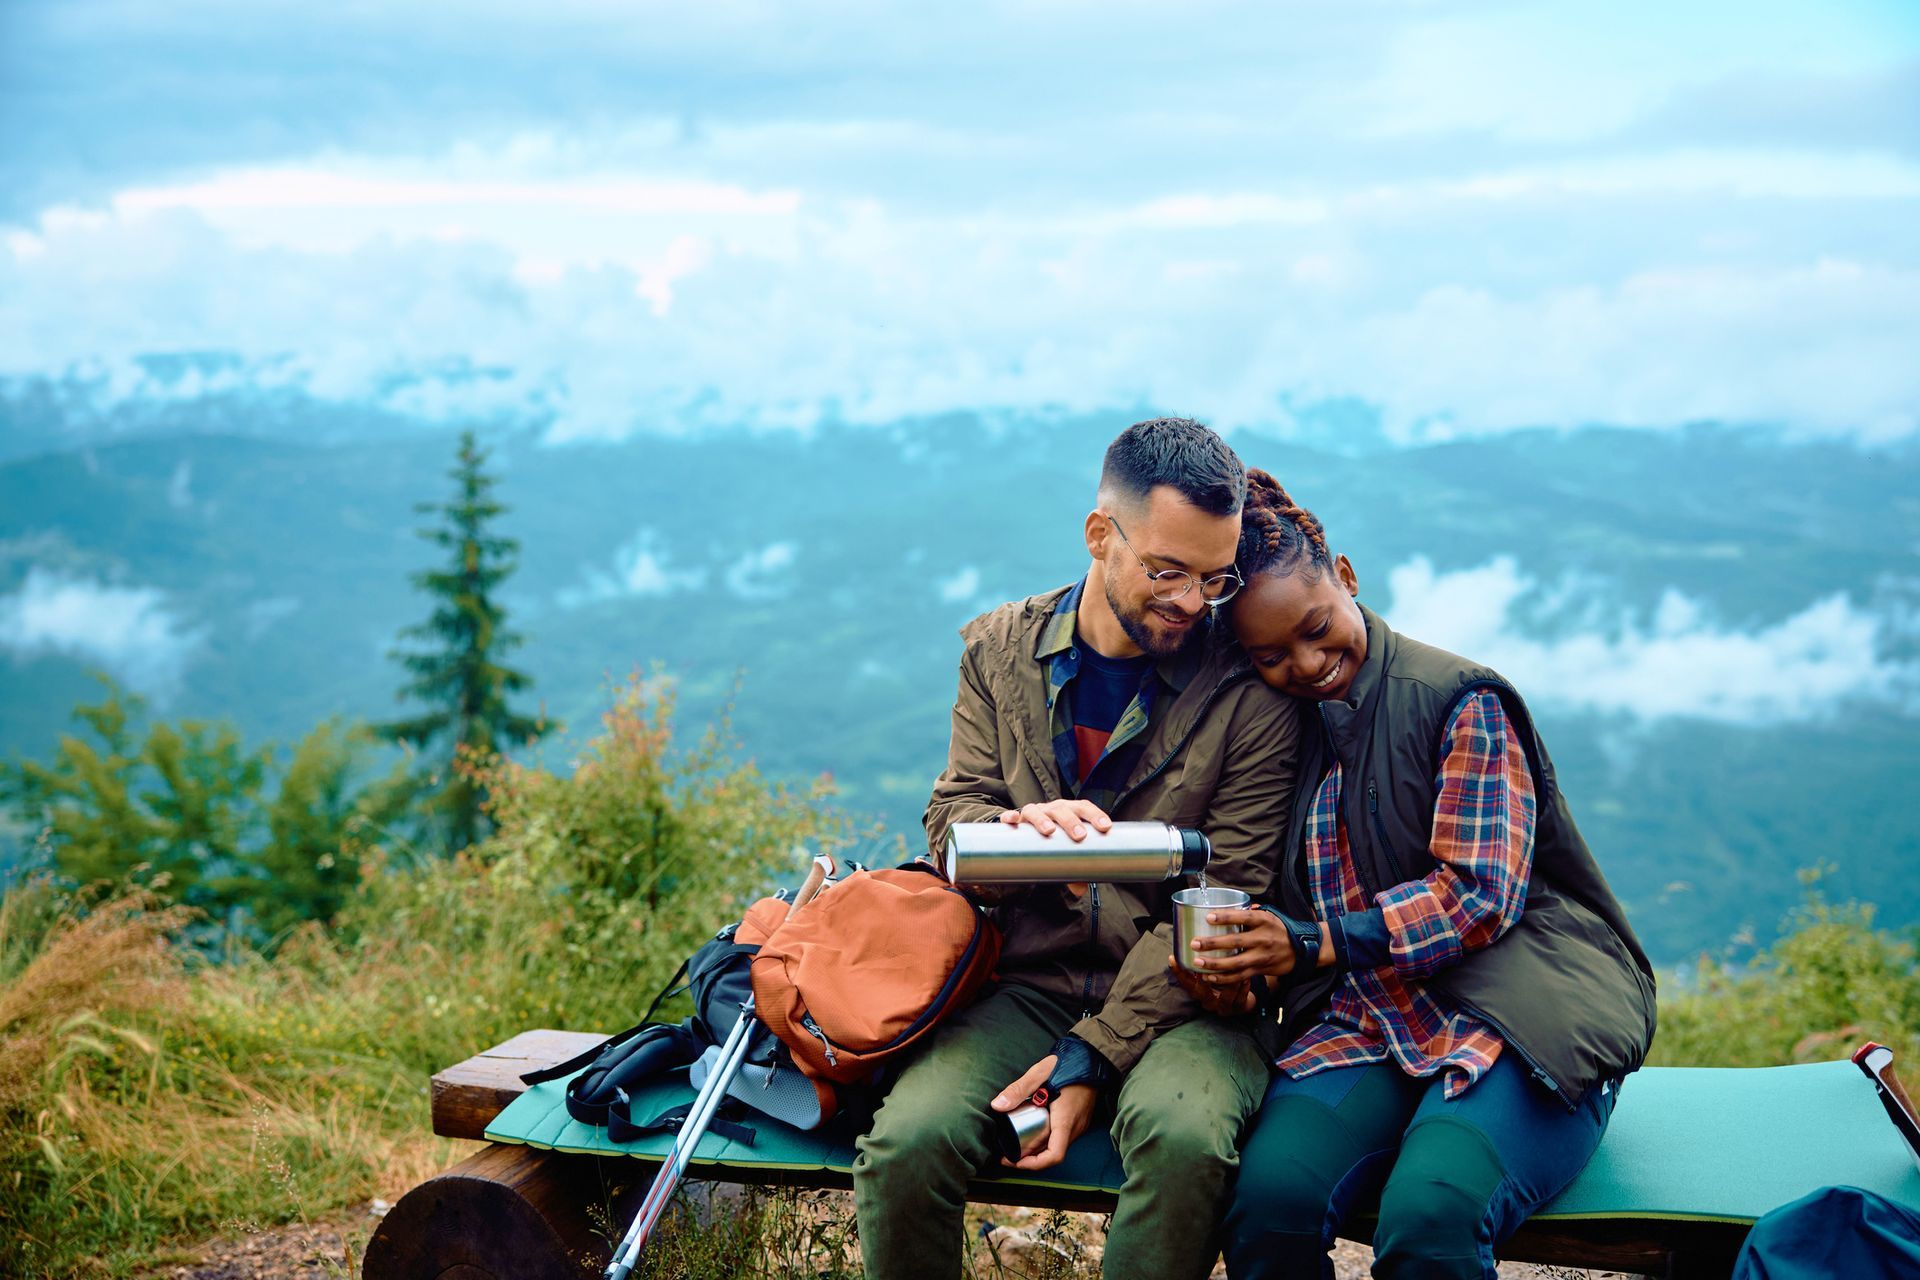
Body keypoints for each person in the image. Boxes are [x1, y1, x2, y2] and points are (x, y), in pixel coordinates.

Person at [1173, 469, 1658, 1280]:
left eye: (1319, 627)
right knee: (1268, 1206)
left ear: (1349, 579)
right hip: (1369, 1017)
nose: (1307, 662)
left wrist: (1313, 944)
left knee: (1432, 1218)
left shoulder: (1457, 700)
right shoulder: (1274, 733)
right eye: (1271, 654)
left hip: (1517, 1015)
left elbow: (1476, 897)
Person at [852, 418, 1303, 1280]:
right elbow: (954, 811)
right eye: (1165, 571)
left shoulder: (1249, 690)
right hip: (1024, 983)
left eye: (1214, 579)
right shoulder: (998, 652)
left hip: (1191, 999)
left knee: (1185, 1143)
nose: (1189, 602)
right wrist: (1006, 835)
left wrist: (1095, 1053)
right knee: (909, 1144)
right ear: (1101, 536)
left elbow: (1229, 897)